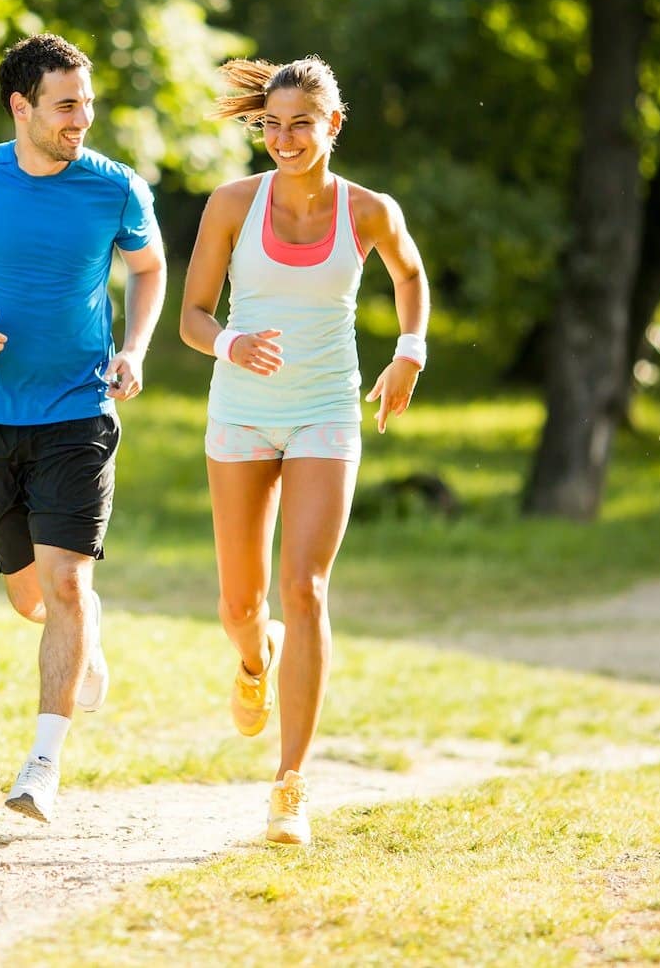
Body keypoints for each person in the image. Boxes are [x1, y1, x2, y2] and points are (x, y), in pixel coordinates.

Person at [0, 32, 167, 823]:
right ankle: (85, 639)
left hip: (78, 409)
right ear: (22, 106)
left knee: (68, 581)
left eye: (86, 103)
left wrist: (135, 348)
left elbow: (148, 268)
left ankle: (41, 767)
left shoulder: (115, 188)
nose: (81, 118)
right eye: (66, 105)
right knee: (31, 599)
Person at [178, 56, 428, 845]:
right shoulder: (229, 205)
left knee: (306, 587)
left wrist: (410, 351)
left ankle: (290, 788)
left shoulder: (368, 211)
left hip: (326, 411)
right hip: (243, 415)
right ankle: (255, 663)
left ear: (334, 125)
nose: (284, 139)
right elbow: (190, 316)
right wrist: (230, 342)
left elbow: (410, 274)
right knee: (240, 607)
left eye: (301, 124)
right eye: (271, 124)